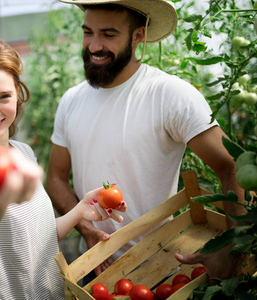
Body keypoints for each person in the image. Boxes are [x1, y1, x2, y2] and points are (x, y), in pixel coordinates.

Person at [47, 0, 247, 280]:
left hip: (160, 270)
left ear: (138, 36)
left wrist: (232, 249)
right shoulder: (71, 100)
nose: (93, 46)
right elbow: (55, 178)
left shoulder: (169, 95)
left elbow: (233, 166)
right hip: (93, 270)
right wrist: (88, 230)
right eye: (88, 32)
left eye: (108, 34)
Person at [0, 38, 125, 299]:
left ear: (17, 91)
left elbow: (37, 239)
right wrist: (2, 193)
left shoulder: (23, 152)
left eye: (4, 96)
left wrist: (79, 211)